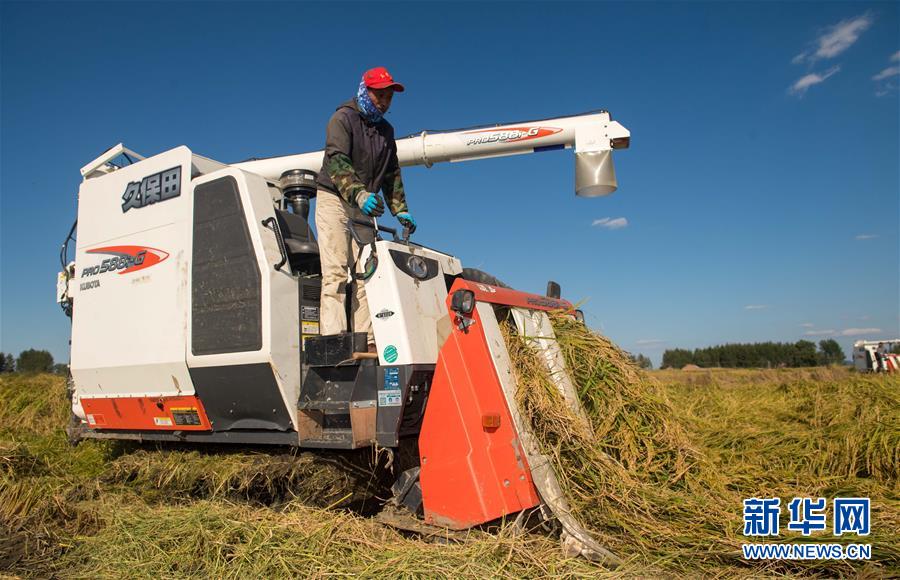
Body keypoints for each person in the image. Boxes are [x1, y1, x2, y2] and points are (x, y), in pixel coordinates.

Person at [315, 67, 416, 350]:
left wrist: (400, 209)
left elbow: (391, 172)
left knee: (366, 274)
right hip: (335, 199)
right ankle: (333, 342)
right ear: (365, 90)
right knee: (336, 271)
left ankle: (367, 342)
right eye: (379, 95)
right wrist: (357, 193)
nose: (384, 102)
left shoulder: (386, 132)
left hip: (364, 206)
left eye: (388, 97)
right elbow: (337, 160)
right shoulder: (342, 119)